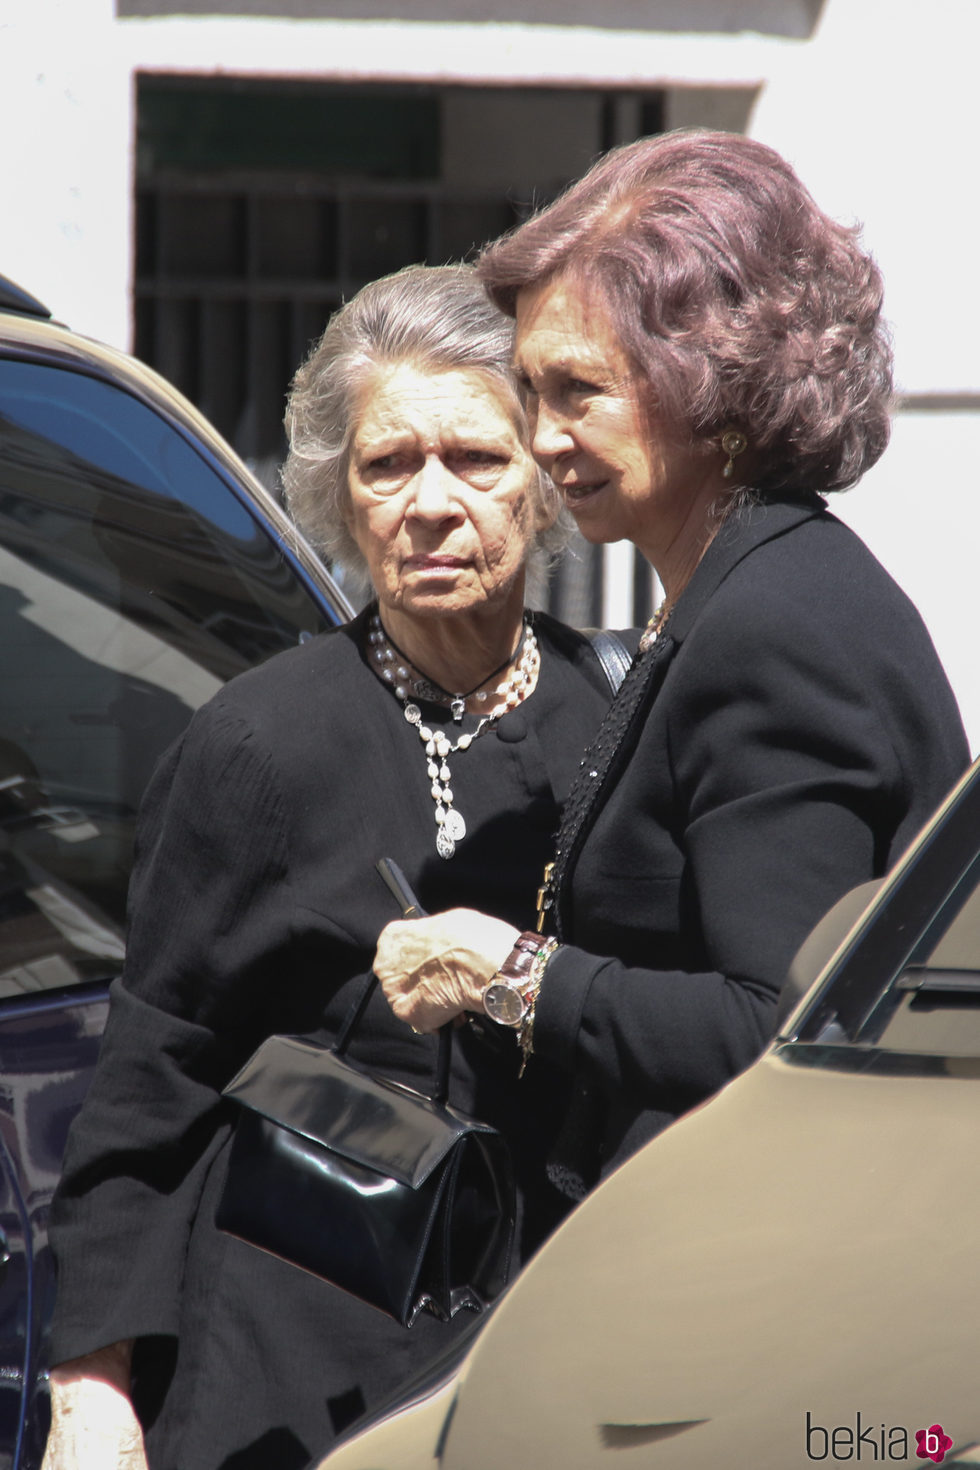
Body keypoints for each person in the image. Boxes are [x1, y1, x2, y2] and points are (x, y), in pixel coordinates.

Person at [41, 265, 622, 1470]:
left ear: (543, 487)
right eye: (386, 465)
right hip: (290, 1376)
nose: (429, 502)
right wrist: (91, 1393)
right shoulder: (258, 744)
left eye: (474, 458)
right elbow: (153, 1081)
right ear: (339, 500)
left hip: (542, 1364)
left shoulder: (614, 732)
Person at [374, 131, 970, 1203]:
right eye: (529, 391)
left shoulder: (774, 625)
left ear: (714, 386)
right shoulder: (741, 586)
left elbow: (777, 1025)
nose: (543, 440)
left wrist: (508, 977)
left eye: (580, 390)